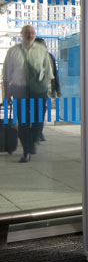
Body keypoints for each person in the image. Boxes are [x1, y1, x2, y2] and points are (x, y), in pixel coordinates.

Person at [2, 25, 54, 162]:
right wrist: (6, 95)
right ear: (22, 34)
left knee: (38, 120)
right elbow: (6, 76)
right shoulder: (13, 52)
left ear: (35, 34)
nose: (30, 35)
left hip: (38, 92)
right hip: (20, 91)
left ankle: (32, 140)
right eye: (27, 33)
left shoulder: (42, 50)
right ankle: (26, 150)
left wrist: (45, 89)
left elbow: (48, 72)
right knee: (23, 122)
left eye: (32, 33)